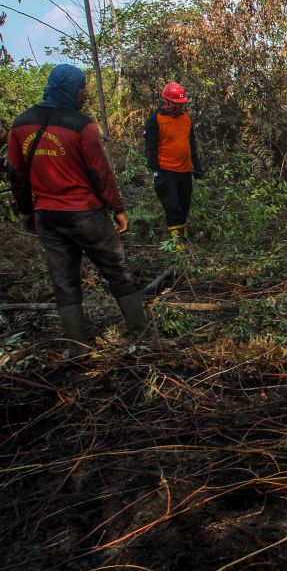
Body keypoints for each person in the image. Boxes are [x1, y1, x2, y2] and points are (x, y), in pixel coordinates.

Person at [6, 64, 147, 357]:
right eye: (82, 87)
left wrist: (27, 212)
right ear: (69, 89)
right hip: (86, 214)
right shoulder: (82, 125)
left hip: (47, 216)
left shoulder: (20, 125)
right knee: (118, 271)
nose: (85, 93)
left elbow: (16, 176)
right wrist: (117, 208)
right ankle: (143, 335)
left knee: (63, 279)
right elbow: (100, 173)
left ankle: (77, 347)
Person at [144, 82, 204, 250]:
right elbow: (151, 148)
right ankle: (176, 245)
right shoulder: (155, 119)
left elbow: (191, 144)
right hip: (166, 171)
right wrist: (156, 172)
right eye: (176, 105)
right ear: (167, 102)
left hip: (185, 172)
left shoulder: (187, 119)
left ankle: (184, 241)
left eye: (182, 104)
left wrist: (197, 167)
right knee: (173, 207)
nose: (179, 108)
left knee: (184, 206)